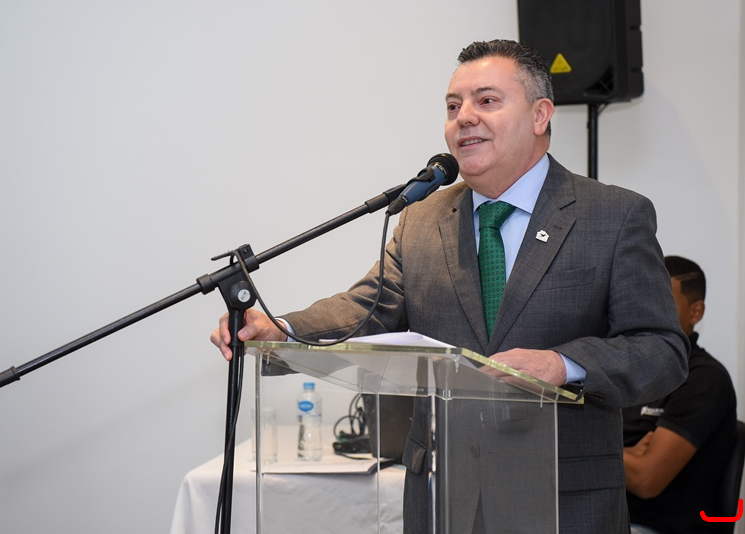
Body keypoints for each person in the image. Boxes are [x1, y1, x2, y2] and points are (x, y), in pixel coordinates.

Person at [211, 39, 688, 533]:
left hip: (562, 497)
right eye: (453, 106)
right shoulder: (423, 218)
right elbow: (367, 307)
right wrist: (282, 328)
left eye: (487, 100)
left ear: (540, 114)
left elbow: (661, 349)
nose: (465, 118)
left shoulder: (612, 215)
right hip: (443, 496)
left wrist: (562, 364)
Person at [624, 256, 737, 534]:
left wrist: (600, 451)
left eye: (663, 303)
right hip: (612, 515)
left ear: (695, 312)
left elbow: (646, 479)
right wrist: (626, 454)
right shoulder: (631, 370)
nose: (647, 314)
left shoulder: (705, 379)